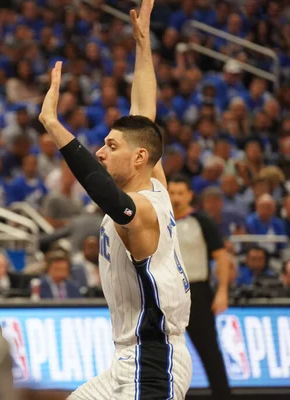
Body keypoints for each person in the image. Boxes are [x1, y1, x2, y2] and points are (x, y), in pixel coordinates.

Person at [38, 1, 192, 398]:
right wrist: (143, 45)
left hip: (154, 360)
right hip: (128, 358)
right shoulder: (152, 181)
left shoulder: (139, 209)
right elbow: (143, 111)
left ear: (139, 157)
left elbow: (102, 192)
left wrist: (54, 126)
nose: (101, 153)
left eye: (110, 145)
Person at [168, 175, 232, 400]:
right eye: (171, 192)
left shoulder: (201, 221)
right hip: (167, 294)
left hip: (198, 292)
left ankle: (223, 395)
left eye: (179, 193)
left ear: (189, 195)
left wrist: (222, 290)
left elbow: (221, 257)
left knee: (210, 352)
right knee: (166, 352)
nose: (175, 198)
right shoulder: (160, 220)